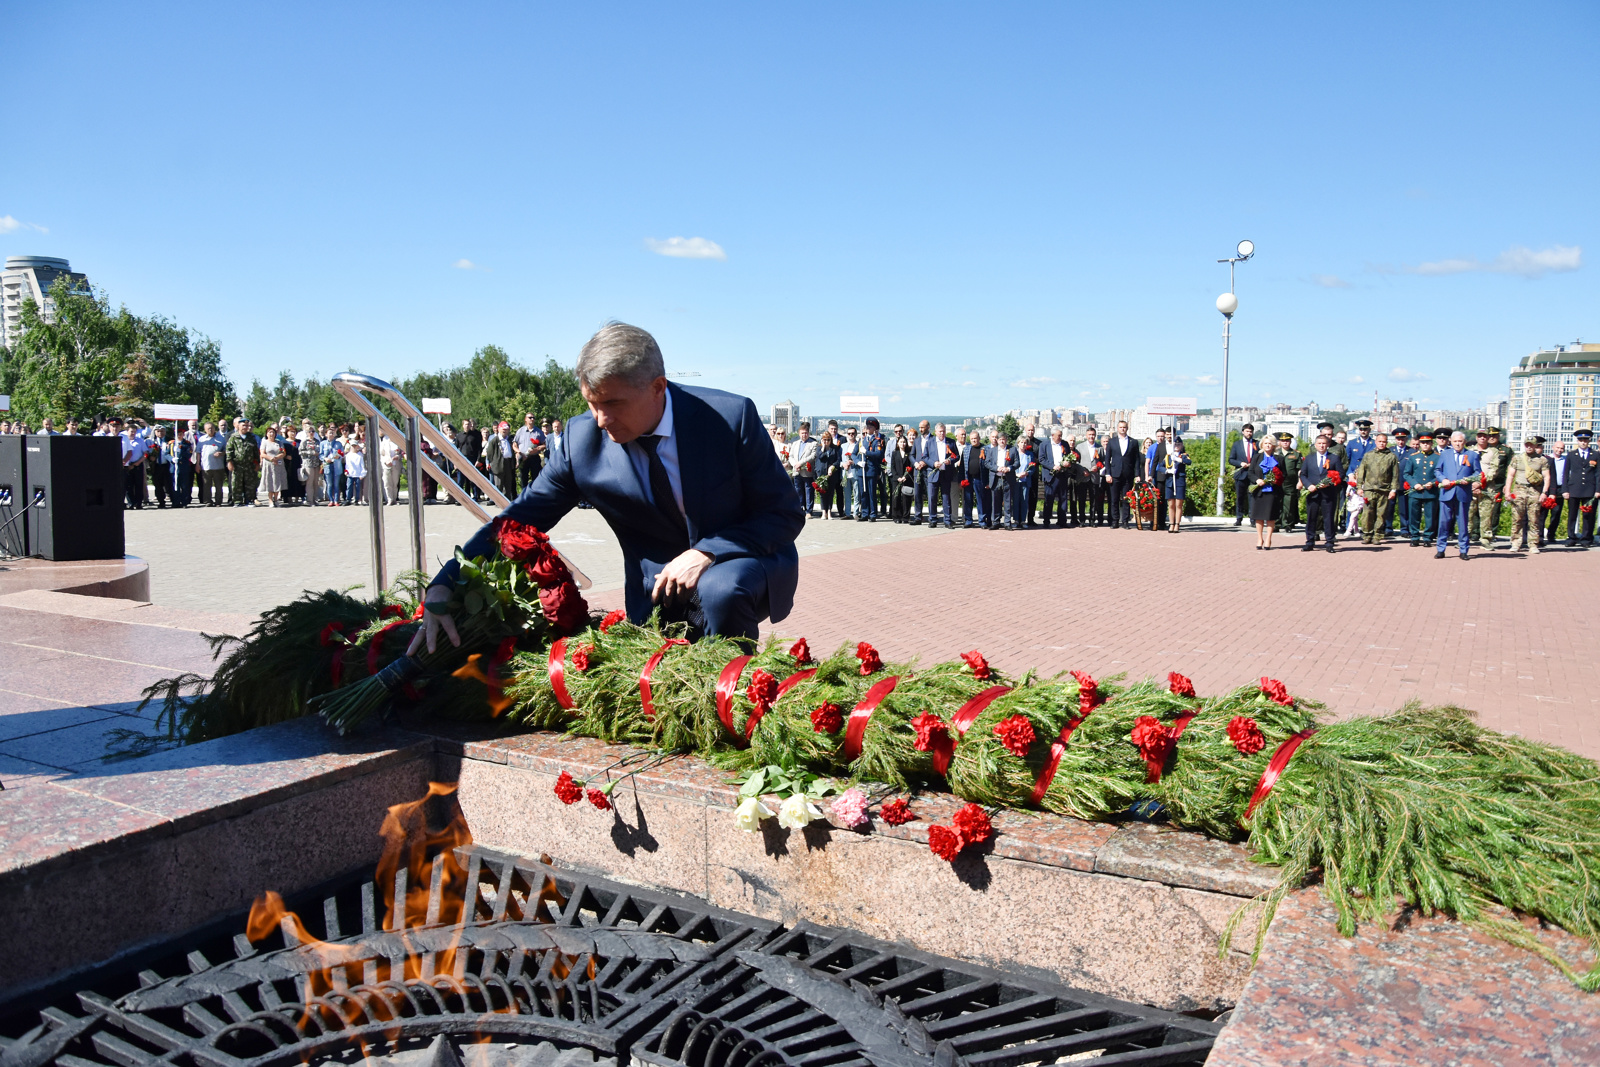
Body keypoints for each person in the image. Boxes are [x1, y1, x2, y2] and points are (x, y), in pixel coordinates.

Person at [411, 322, 804, 646]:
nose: (600, 419)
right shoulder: (583, 442)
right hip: (655, 592)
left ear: (657, 388)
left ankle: (731, 693)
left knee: (720, 588)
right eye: (590, 403)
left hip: (742, 564)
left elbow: (783, 514)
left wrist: (707, 552)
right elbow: (520, 521)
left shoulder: (728, 418)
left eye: (612, 404)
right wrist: (445, 584)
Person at [1434, 430, 1481, 559]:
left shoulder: (1472, 455)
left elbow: (1478, 473)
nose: (1458, 444)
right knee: (1444, 522)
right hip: (1447, 493)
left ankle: (1464, 550)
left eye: (1460, 441)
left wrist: (1470, 479)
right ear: (1451, 442)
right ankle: (1441, 548)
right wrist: (1442, 479)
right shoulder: (1445, 454)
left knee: (1463, 523)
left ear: (1464, 442)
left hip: (1463, 493)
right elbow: (1437, 470)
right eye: (1455, 441)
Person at [1506, 435, 1551, 553]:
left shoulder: (1542, 460)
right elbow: (1510, 475)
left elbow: (1547, 477)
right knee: (1517, 518)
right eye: (1527, 444)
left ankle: (1533, 544)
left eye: (1531, 444)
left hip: (1535, 491)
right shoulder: (1517, 458)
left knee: (1534, 518)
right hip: (1519, 489)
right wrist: (1507, 491)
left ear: (1536, 446)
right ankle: (1516, 542)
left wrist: (1544, 493)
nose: (1529, 447)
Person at [1353, 432, 1398, 545]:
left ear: (1387, 443)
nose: (1382, 444)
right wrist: (1359, 487)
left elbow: (1395, 475)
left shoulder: (1391, 456)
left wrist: (1393, 490)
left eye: (1384, 442)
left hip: (1384, 490)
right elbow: (1361, 472)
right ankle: (1367, 534)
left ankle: (1377, 535)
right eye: (1380, 441)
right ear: (1376, 442)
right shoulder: (1368, 455)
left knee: (1381, 514)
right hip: (1369, 489)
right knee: (1367, 514)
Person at [1472, 427, 1511, 550]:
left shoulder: (1498, 451)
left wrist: (1482, 482)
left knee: (1489, 513)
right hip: (1472, 486)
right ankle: (1469, 535)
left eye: (1486, 436)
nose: (1483, 438)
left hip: (1491, 485)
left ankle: (1487, 538)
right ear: (1476, 437)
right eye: (1480, 435)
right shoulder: (1470, 450)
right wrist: (1474, 483)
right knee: (1470, 513)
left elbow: (1499, 469)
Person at [1299, 435, 1340, 552]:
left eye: (1324, 443)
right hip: (1313, 493)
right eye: (1319, 443)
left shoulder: (1334, 458)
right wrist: (1308, 485)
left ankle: (1329, 542)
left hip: (1328, 494)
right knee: (1311, 518)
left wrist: (1330, 483)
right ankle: (1310, 541)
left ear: (1327, 445)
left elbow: (1340, 474)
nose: (1322, 446)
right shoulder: (1309, 458)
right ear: (1315, 445)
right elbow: (1303, 474)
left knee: (1328, 518)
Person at [1400, 432, 1438, 546]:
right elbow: (1407, 473)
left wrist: (1432, 483)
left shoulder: (1437, 457)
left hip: (1430, 492)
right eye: (1423, 443)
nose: (1425, 445)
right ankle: (1415, 537)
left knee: (1430, 516)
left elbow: (1440, 474)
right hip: (1415, 491)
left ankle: (1427, 537)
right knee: (1414, 515)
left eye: (1427, 442)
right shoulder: (1413, 457)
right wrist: (1414, 484)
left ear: (1432, 443)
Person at [1246, 435, 1282, 549]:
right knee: (1259, 516)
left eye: (1270, 443)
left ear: (1274, 445)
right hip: (1259, 491)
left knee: (1270, 516)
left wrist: (1275, 480)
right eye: (1265, 443)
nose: (1267, 445)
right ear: (1262, 445)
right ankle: (1259, 538)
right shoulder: (1257, 457)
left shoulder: (1279, 459)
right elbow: (1250, 472)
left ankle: (1268, 538)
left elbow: (1283, 475)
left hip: (1272, 491)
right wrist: (1257, 480)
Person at [1564, 428, 1598, 547]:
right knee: (1572, 515)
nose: (1583, 442)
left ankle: (1586, 538)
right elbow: (1566, 473)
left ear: (1589, 441)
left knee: (1588, 515)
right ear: (1577, 441)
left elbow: (1598, 474)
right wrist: (1565, 490)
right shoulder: (1571, 454)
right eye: (1581, 440)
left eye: (1585, 440)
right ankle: (1571, 537)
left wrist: (1598, 490)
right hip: (1574, 489)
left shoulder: (1595, 454)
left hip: (1589, 489)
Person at [1105, 420, 1141, 529]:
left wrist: (1137, 474)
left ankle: (1125, 521)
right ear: (1117, 428)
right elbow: (1107, 459)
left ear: (1127, 428)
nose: (1122, 429)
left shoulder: (1133, 442)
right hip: (1115, 474)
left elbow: (1137, 460)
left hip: (1128, 474)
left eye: (1124, 427)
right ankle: (1115, 520)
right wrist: (1108, 473)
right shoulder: (1112, 442)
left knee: (1126, 499)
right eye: (1120, 427)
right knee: (1114, 499)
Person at [1039, 428, 1073, 528]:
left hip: (1062, 475)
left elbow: (1068, 456)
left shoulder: (1065, 444)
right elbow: (1041, 459)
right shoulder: (1044, 445)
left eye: (1061, 435)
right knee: (1049, 499)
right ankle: (1046, 521)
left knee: (1063, 499)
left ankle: (1062, 521)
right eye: (1059, 435)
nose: (1060, 437)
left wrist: (1068, 463)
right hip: (1050, 476)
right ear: (1053, 435)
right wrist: (1052, 466)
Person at [1227, 424, 1259, 527]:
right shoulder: (1237, 444)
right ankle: (1239, 518)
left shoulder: (1256, 444)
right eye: (1247, 431)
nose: (1249, 433)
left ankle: (1253, 519)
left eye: (1250, 431)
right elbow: (1231, 459)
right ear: (1243, 432)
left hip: (1253, 475)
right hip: (1240, 474)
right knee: (1240, 497)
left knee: (1252, 497)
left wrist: (1253, 465)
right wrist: (1241, 464)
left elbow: (1260, 457)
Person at [927, 423, 957, 529]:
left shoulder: (951, 442)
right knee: (932, 498)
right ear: (936, 432)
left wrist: (950, 460)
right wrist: (933, 463)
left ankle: (947, 520)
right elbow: (925, 457)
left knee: (946, 498)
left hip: (946, 474)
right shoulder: (930, 442)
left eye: (943, 431)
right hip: (933, 474)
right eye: (940, 431)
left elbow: (956, 456)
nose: (942, 433)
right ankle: (933, 519)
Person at [787, 421, 819, 517]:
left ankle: (809, 510)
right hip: (796, 471)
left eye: (805, 433)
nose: (804, 435)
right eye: (802, 433)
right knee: (798, 491)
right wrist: (795, 465)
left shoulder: (813, 443)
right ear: (799, 433)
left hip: (807, 471)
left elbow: (813, 456)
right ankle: (800, 508)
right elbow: (790, 456)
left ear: (808, 433)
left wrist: (801, 463)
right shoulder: (795, 443)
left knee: (808, 491)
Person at [987, 431, 1017, 531]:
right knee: (995, 502)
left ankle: (1007, 523)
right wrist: (996, 468)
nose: (1002, 441)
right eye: (1000, 440)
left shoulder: (1012, 450)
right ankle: (995, 522)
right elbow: (987, 463)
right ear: (997, 440)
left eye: (1004, 439)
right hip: (996, 479)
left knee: (1008, 502)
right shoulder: (992, 451)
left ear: (1006, 440)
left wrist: (1009, 468)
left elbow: (1017, 463)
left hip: (1007, 479)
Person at [960, 428, 988, 528]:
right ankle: (968, 520)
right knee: (968, 500)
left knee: (980, 500)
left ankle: (982, 520)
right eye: (972, 439)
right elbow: (962, 466)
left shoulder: (985, 449)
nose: (974, 440)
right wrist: (961, 479)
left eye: (975, 438)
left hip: (979, 479)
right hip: (968, 478)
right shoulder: (966, 449)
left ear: (979, 438)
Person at [1078, 427, 1106, 526]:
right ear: (1086, 435)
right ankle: (1081, 520)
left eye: (1093, 435)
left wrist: (1098, 468)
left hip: (1094, 477)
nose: (1091, 436)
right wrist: (1083, 471)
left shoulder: (1099, 448)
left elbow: (1102, 462)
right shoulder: (1080, 447)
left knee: (1094, 500)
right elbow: (1076, 463)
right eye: (1089, 435)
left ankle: (1092, 520)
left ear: (1095, 435)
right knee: (1082, 500)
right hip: (1083, 477)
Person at [1161, 438, 1189, 533]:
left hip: (1179, 482)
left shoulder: (1184, 456)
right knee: (1171, 504)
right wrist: (1167, 470)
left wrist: (1178, 459)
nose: (1177, 446)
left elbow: (1189, 462)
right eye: (1175, 445)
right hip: (1170, 482)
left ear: (1181, 445)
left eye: (1179, 444)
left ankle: (1177, 524)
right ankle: (1171, 524)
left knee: (1178, 504)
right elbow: (1159, 467)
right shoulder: (1168, 456)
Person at [1275, 433, 1301, 532]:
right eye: (1283, 441)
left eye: (1287, 441)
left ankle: (1287, 524)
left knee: (1289, 504)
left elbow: (1299, 469)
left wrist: (1300, 482)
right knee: (1277, 503)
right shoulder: (1276, 453)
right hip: (1277, 481)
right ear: (1280, 442)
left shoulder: (1296, 454)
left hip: (1290, 482)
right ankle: (1276, 523)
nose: (1285, 442)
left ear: (1290, 442)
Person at [860, 418, 885, 521]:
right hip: (862, 470)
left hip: (871, 470)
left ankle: (873, 514)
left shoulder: (877, 441)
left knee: (871, 493)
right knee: (863, 493)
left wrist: (866, 452)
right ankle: (865, 513)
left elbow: (879, 454)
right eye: (867, 426)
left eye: (871, 426)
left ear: (875, 428)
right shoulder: (862, 440)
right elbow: (855, 453)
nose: (868, 428)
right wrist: (858, 461)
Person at [196, 422, 227, 506]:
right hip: (206, 466)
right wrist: (197, 464)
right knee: (206, 485)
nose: (210, 429)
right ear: (205, 430)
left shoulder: (221, 438)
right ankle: (208, 501)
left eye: (212, 428)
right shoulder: (202, 439)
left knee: (218, 485)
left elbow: (226, 450)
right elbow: (198, 452)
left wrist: (221, 453)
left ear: (214, 428)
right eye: (208, 428)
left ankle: (218, 501)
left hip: (218, 466)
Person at [514, 413, 546, 493]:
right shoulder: (520, 431)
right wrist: (519, 452)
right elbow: (514, 444)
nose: (532, 419)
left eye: (533, 418)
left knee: (535, 478)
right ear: (525, 419)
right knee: (523, 478)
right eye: (530, 417)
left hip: (534, 458)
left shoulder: (538, 432)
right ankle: (524, 496)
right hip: (523, 457)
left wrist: (537, 448)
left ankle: (534, 495)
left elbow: (544, 444)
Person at [1544, 440, 1568, 545]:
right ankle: (1540, 534)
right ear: (1553, 447)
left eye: (1562, 448)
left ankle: (1551, 535)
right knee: (1543, 514)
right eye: (1557, 447)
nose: (1559, 450)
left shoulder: (1566, 460)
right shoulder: (1546, 459)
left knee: (1556, 513)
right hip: (1547, 489)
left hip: (1559, 489)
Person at [815, 429, 842, 519]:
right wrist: (823, 447)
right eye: (825, 439)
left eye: (828, 440)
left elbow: (838, 460)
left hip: (831, 474)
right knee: (822, 493)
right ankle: (824, 512)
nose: (827, 441)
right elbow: (820, 457)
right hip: (821, 473)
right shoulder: (819, 448)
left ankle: (829, 511)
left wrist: (832, 467)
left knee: (830, 493)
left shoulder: (834, 449)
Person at [259, 426, 288, 507]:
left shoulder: (279, 442)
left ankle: (276, 499)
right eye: (270, 432)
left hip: (278, 464)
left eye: (273, 432)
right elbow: (262, 453)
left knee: (277, 481)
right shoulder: (264, 442)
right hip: (268, 464)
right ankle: (270, 500)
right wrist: (271, 458)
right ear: (267, 434)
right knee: (270, 482)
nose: (271, 434)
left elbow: (283, 453)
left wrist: (276, 458)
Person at [888, 433, 914, 523]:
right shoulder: (894, 453)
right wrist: (897, 477)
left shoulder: (909, 453)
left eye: (904, 442)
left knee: (906, 499)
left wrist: (905, 476)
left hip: (907, 479)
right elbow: (892, 467)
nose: (902, 444)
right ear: (897, 443)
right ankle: (896, 517)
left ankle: (905, 517)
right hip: (896, 479)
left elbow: (911, 466)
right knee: (896, 498)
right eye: (901, 442)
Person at [840, 426, 865, 519]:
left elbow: (861, 459)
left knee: (857, 494)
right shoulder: (843, 446)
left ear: (855, 434)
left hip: (855, 471)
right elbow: (839, 460)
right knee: (846, 494)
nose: (851, 435)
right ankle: (847, 513)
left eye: (853, 433)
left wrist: (853, 462)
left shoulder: (859, 445)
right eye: (849, 433)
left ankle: (856, 513)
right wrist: (844, 464)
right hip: (846, 473)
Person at [488, 421, 517, 495]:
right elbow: (489, 454)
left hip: (508, 463)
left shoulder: (510, 439)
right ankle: (499, 502)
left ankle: (507, 502)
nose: (504, 430)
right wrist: (493, 463)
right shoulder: (494, 441)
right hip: (498, 465)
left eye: (506, 429)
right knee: (499, 485)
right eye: (503, 429)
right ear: (499, 429)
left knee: (508, 484)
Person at [318, 426, 345, 507]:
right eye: (329, 433)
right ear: (326, 434)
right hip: (327, 465)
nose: (331, 434)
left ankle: (336, 500)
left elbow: (342, 454)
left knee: (336, 484)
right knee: (329, 484)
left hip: (336, 465)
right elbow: (320, 454)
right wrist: (325, 458)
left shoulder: (338, 444)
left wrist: (339, 457)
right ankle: (331, 500)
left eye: (333, 433)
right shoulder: (323, 443)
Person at [301, 432, 325, 506]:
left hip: (317, 463)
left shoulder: (317, 441)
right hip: (308, 463)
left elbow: (321, 451)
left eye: (312, 431)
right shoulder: (304, 441)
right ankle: (309, 500)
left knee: (316, 482)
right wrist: (311, 452)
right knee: (310, 482)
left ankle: (315, 499)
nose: (311, 433)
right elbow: (301, 452)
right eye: (309, 431)